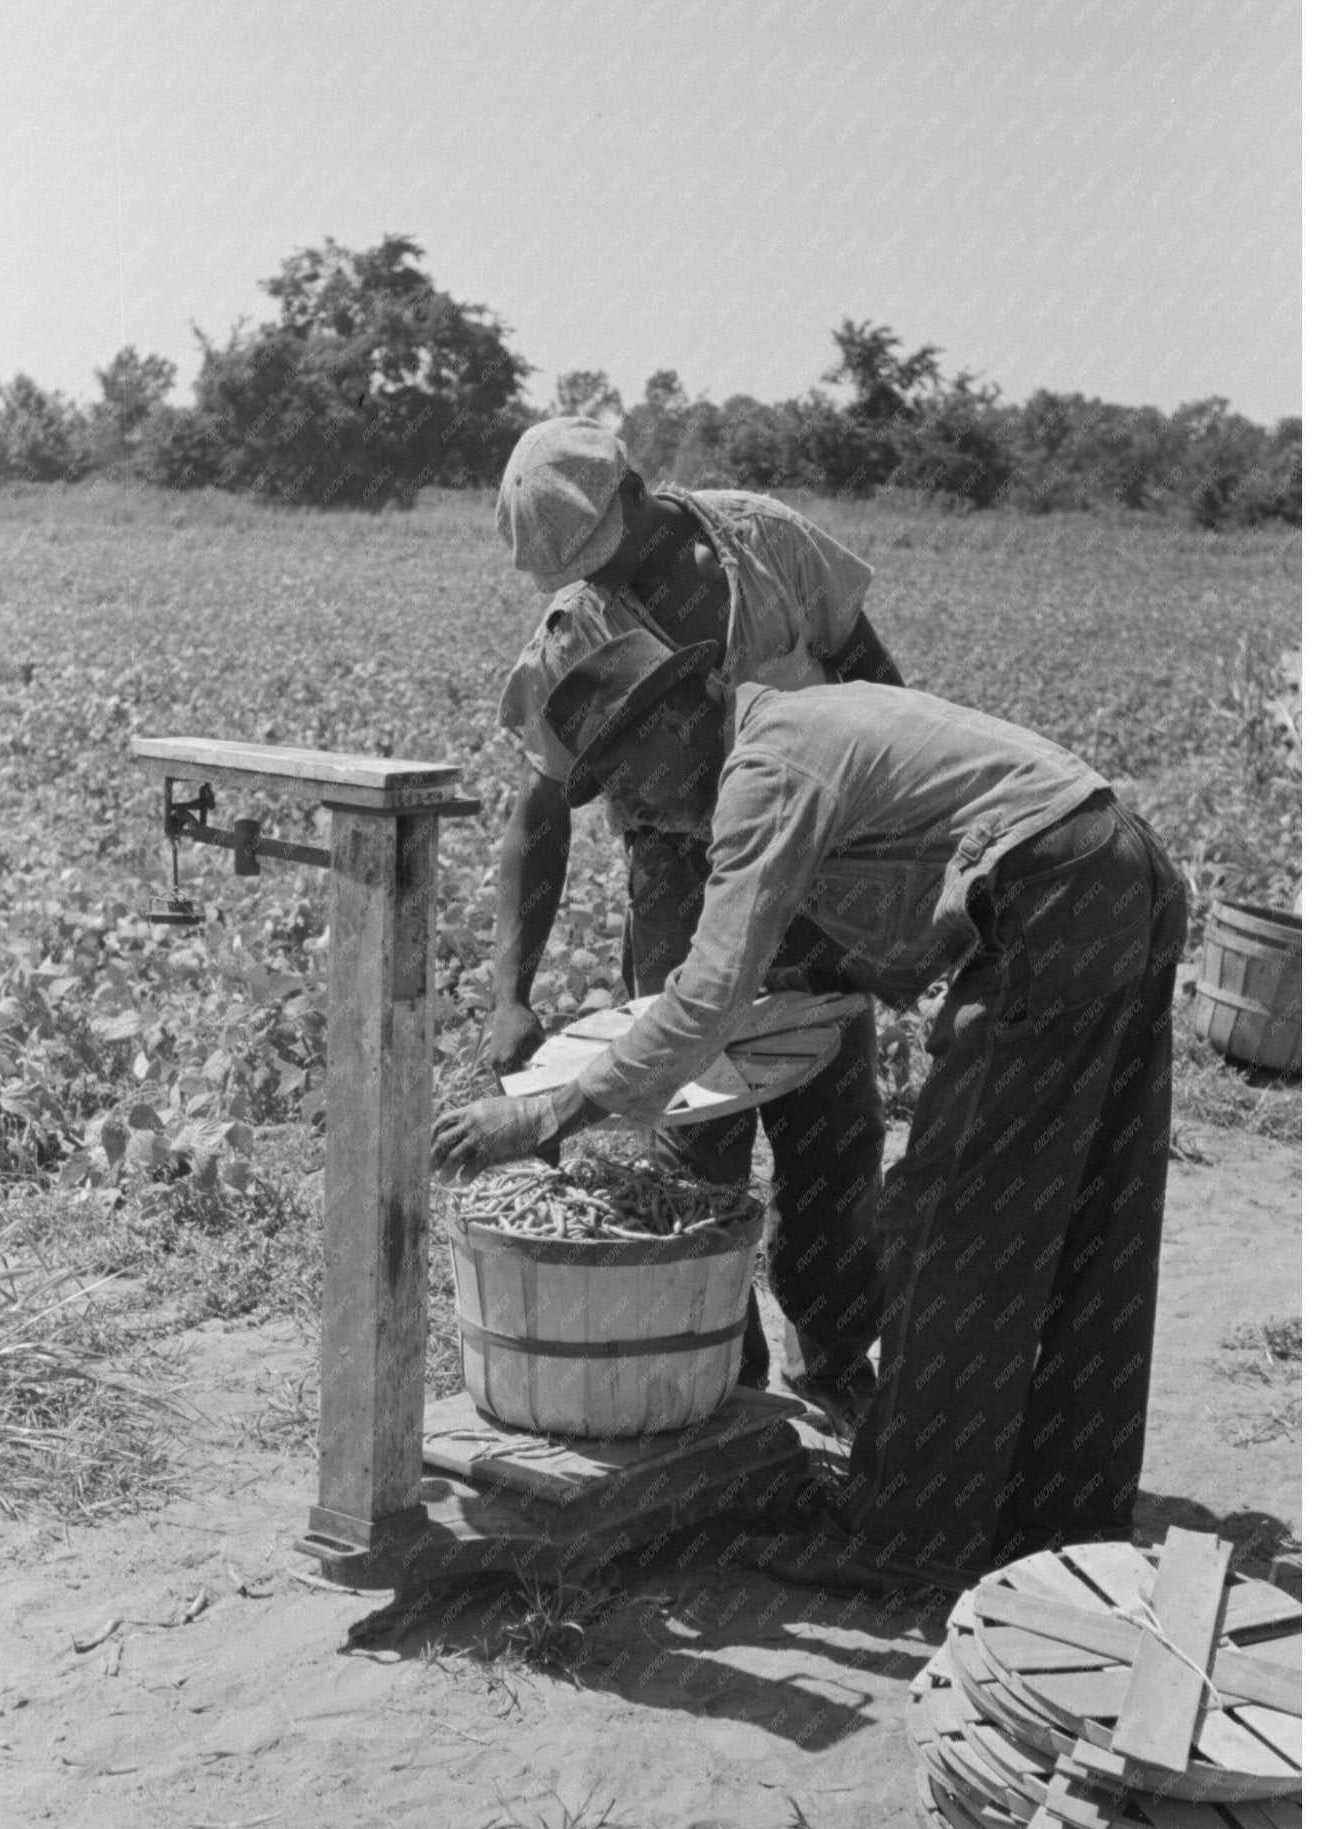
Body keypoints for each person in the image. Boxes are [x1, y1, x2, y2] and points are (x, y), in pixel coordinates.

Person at [432, 628, 1188, 1593]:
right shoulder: (798, 726)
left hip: (1053, 892)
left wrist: (546, 1114)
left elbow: (702, 995)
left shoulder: (766, 770)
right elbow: (902, 923)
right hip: (1118, 868)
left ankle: (905, 1540)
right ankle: (1061, 1515)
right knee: (1092, 1209)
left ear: (676, 719)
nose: (629, 808)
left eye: (624, 774)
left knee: (944, 1220)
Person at [490, 415, 904, 1415]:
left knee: (831, 1135)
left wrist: (884, 870)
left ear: (635, 490)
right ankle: (726, 1391)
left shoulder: (763, 542)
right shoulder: (572, 633)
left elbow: (877, 681)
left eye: (606, 553)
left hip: (820, 849)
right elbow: (539, 811)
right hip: (678, 879)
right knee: (694, 1139)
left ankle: (840, 1379)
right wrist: (511, 991)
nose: (600, 580)